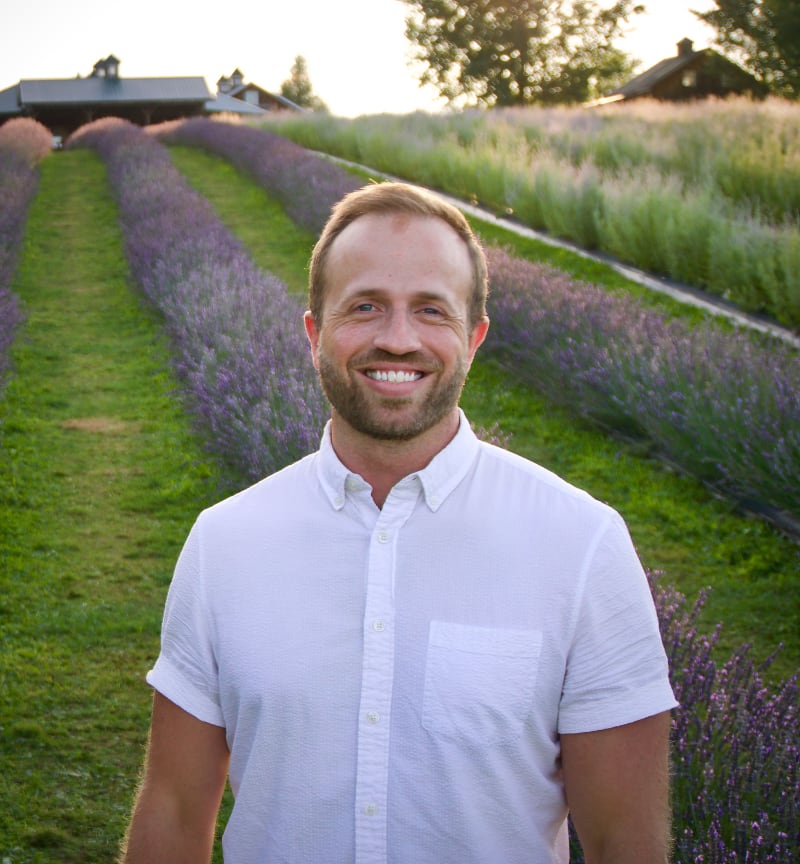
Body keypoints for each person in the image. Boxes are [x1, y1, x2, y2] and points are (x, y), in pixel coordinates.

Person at [120, 181, 677, 864]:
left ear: (473, 339)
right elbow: (174, 813)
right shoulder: (224, 542)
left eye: (431, 311)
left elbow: (626, 842)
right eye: (365, 306)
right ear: (313, 332)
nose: (398, 339)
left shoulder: (580, 544)